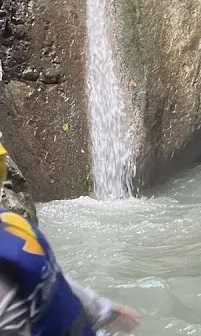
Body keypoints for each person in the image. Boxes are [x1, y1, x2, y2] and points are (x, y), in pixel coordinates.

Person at [0, 143, 140, 334]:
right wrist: (104, 309)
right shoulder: (13, 224)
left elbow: (53, 277)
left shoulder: (11, 225)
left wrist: (105, 310)